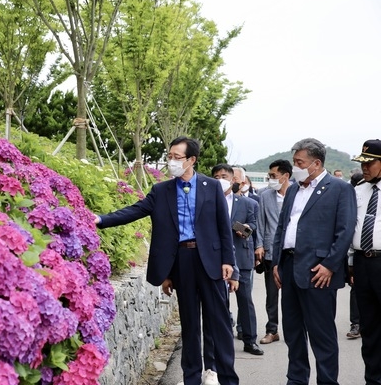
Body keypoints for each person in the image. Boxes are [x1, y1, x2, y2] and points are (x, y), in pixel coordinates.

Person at [95, 136, 239, 385]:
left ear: (191, 160)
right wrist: (101, 220)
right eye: (169, 156)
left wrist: (229, 261)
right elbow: (135, 210)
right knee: (190, 324)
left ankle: (227, 379)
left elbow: (223, 227)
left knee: (219, 323)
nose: (171, 161)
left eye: (176, 157)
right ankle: (191, 378)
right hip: (181, 260)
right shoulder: (161, 190)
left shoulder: (211, 186)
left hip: (211, 261)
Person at [272, 137, 357, 385]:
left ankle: (327, 381)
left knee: (322, 335)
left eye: (300, 162)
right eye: (294, 162)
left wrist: (330, 264)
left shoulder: (340, 189)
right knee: (293, 332)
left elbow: (345, 230)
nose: (295, 167)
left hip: (318, 271)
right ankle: (296, 379)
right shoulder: (294, 189)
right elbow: (282, 227)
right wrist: (277, 261)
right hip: (289, 268)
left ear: (316, 163)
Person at [213, 164, 263, 356]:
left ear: (234, 179)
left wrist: (238, 227)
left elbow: (252, 228)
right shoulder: (208, 202)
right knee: (220, 302)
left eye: (223, 176)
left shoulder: (248, 204)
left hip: (241, 259)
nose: (220, 179)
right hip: (216, 260)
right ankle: (221, 341)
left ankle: (250, 340)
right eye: (216, 176)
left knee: (245, 301)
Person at [350, 139, 381, 384]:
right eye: (363, 163)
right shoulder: (358, 190)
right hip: (363, 264)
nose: (365, 168)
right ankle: (373, 379)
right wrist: (350, 263)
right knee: (369, 328)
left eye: (370, 163)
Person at [254, 159, 293, 345]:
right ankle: (272, 330)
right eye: (269, 176)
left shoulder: (297, 193)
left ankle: (294, 329)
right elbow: (260, 223)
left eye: (273, 176)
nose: (270, 179)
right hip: (270, 252)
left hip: (293, 252)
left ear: (285, 176)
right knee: (271, 294)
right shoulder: (265, 196)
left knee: (293, 294)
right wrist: (259, 245)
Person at [346, 170, 364, 340]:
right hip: (361, 255)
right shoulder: (356, 194)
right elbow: (353, 228)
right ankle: (356, 324)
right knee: (356, 290)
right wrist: (351, 260)